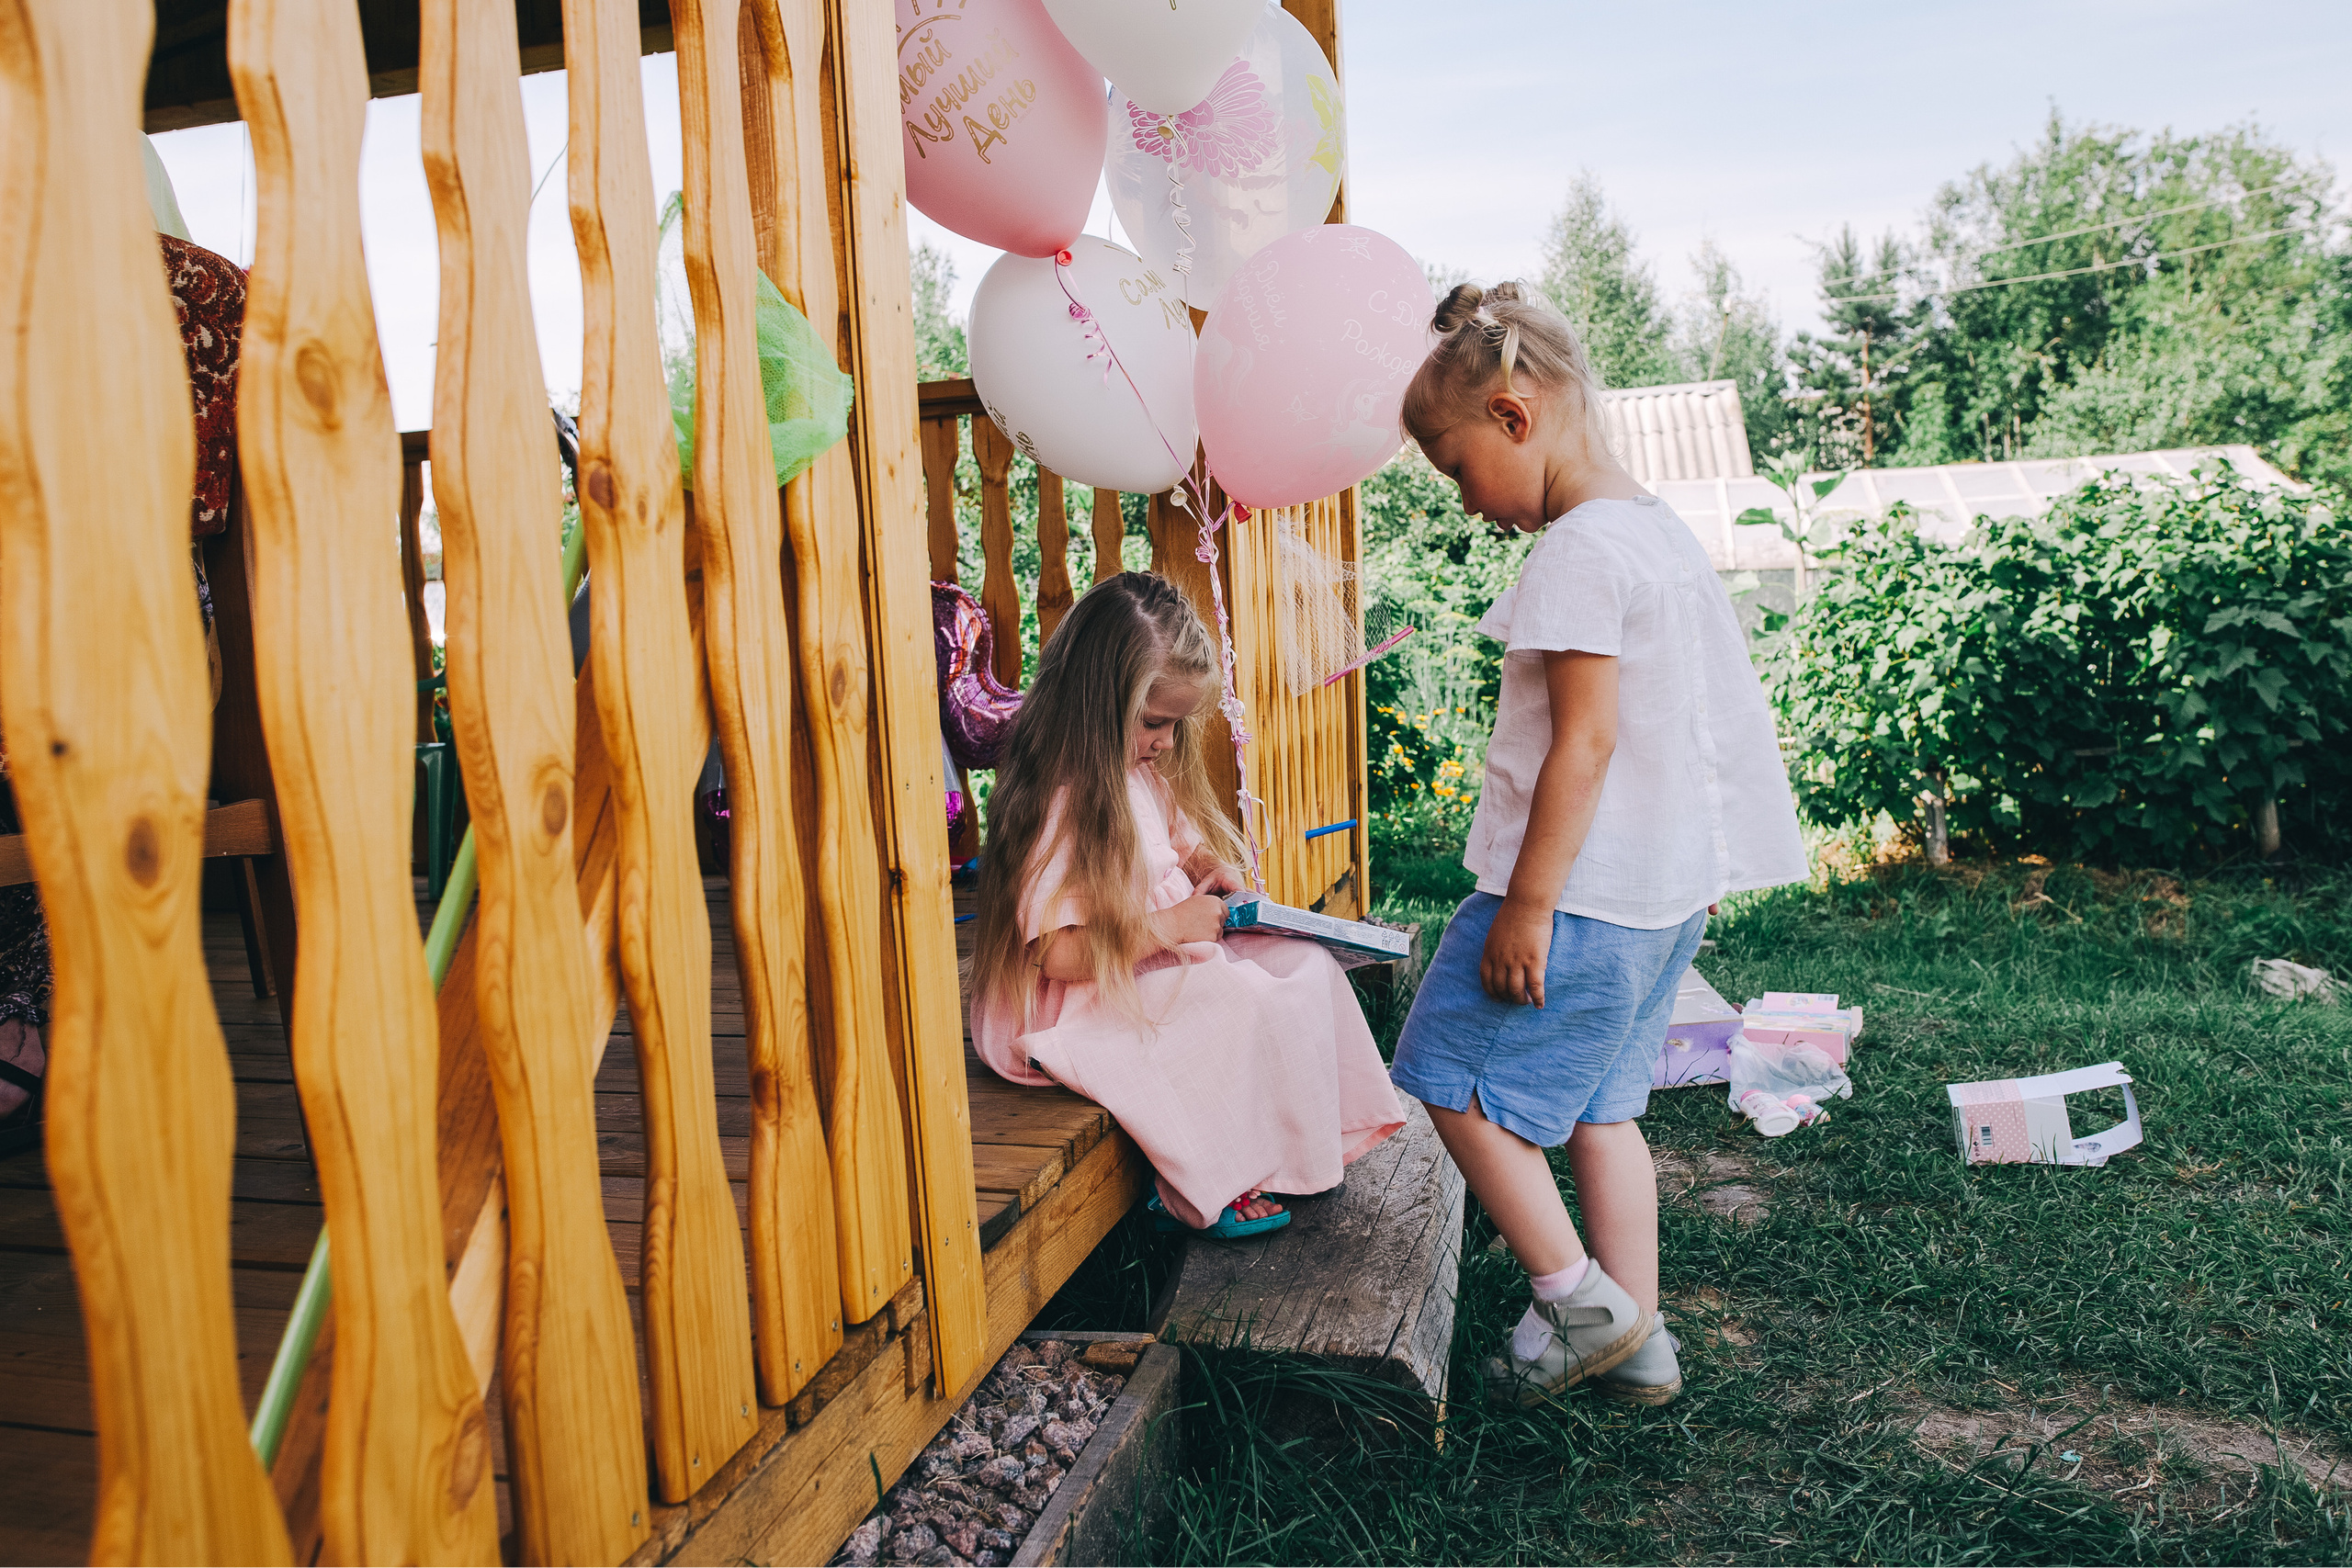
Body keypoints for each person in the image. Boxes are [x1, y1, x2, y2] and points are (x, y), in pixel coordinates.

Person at [1389, 282, 1806, 1407]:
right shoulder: (1657, 532)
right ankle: (1641, 1339)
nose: (1467, 503)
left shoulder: (1576, 551)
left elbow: (1584, 744)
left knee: (1442, 1076)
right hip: (1661, 892)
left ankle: (1574, 1300)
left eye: (1456, 468)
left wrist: (1525, 905)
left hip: (1576, 892)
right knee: (1600, 1107)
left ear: (1515, 418)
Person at [969, 572, 1405, 1237]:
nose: (1167, 743)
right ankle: (1203, 1181)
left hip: (1162, 953)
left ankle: (1297, 1141)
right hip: (1090, 991)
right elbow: (1052, 951)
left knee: (1302, 966)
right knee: (1232, 1004)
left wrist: (1209, 867)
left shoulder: (1132, 770)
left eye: (1176, 723)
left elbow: (1177, 838)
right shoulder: (1062, 799)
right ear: (1097, 703)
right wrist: (1167, 926)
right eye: (1154, 722)